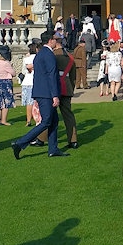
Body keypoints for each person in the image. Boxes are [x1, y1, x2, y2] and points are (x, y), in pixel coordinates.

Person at [11, 31, 69, 159]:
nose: (56, 41)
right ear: (50, 40)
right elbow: (51, 76)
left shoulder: (41, 53)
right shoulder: (48, 54)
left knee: (53, 121)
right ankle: (20, 143)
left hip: (41, 91)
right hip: (47, 93)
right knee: (47, 121)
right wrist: (55, 95)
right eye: (55, 39)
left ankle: (53, 148)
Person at [53, 34, 78, 149]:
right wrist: (71, 88)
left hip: (54, 86)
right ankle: (73, 140)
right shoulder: (70, 56)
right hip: (66, 85)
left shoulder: (52, 55)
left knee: (48, 115)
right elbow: (73, 76)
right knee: (68, 115)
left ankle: (41, 138)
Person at [0, 45, 16, 126]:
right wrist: (12, 68)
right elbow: (13, 73)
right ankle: (3, 120)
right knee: (6, 102)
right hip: (6, 82)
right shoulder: (6, 63)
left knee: (0, 101)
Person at [21, 43, 37, 126]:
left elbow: (23, 71)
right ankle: (36, 118)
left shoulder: (26, 59)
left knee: (28, 103)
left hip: (26, 81)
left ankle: (28, 120)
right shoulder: (37, 58)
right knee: (35, 102)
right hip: (34, 81)